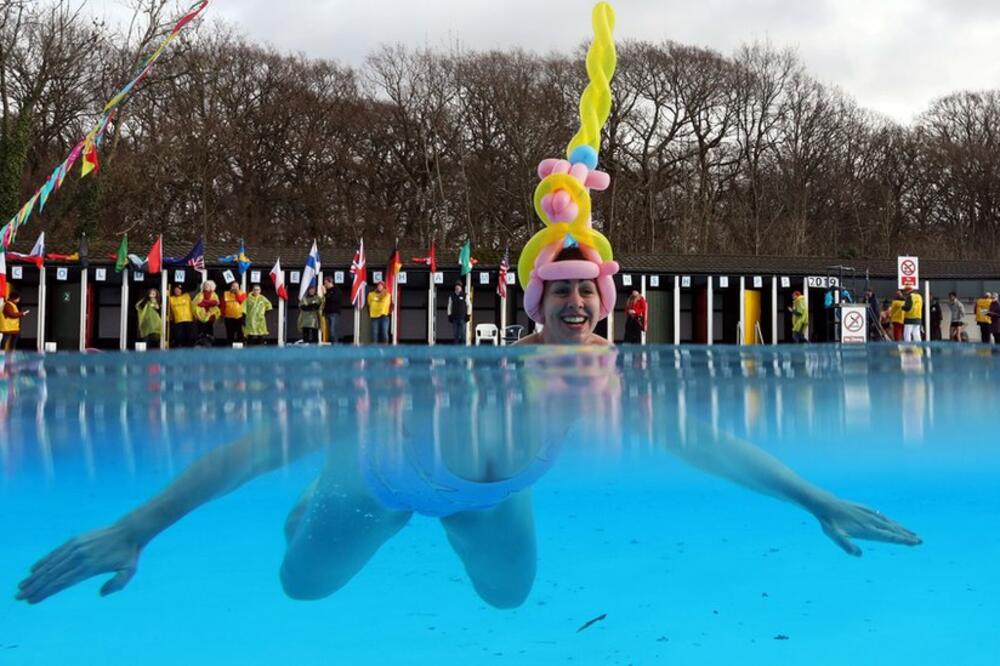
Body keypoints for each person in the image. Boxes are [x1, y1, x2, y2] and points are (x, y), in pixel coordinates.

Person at [13, 25, 923, 612]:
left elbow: (711, 447)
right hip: (376, 478)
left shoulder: (610, 386)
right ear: (534, 308)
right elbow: (259, 443)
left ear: (606, 306)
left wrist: (817, 500)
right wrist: (140, 525)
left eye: (586, 292)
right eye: (559, 292)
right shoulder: (479, 379)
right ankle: (361, 504)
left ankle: (464, 513)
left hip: (489, 493)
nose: (574, 301)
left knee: (509, 600)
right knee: (301, 587)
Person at [192, 281, 221, 347]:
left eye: (208, 285)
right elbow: (198, 303)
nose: (206, 286)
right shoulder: (199, 294)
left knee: (209, 329)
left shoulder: (214, 294)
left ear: (211, 286)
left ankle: (210, 343)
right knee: (201, 329)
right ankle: (201, 343)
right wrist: (210, 303)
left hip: (211, 315)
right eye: (205, 285)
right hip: (200, 315)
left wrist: (205, 302)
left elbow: (216, 302)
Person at [320, 276, 342, 344]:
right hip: (327, 313)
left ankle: (335, 346)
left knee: (333, 331)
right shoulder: (328, 291)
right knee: (329, 332)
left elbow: (333, 299)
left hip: (334, 313)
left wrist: (325, 293)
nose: (325, 285)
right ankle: (332, 346)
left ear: (330, 282)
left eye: (326, 283)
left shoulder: (336, 290)